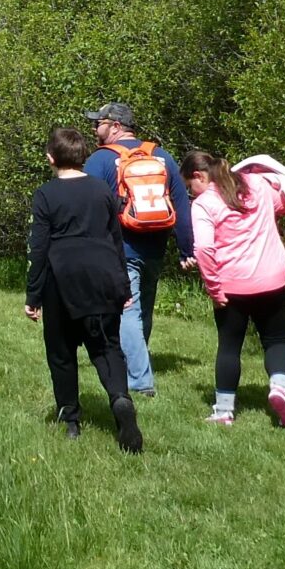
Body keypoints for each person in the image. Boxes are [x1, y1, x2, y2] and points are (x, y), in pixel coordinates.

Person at [186, 147, 285, 432]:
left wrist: (214, 290)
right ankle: (280, 388)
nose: (191, 193)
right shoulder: (258, 185)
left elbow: (204, 248)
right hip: (272, 279)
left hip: (232, 286)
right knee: (276, 339)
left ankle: (224, 411)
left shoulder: (204, 204)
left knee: (229, 347)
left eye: (190, 186)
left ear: (198, 176)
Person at [27, 125, 143, 451]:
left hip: (62, 281)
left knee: (62, 353)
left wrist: (33, 296)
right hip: (104, 277)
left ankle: (71, 420)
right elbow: (116, 241)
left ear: (51, 158)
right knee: (107, 348)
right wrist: (123, 286)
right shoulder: (103, 191)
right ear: (83, 156)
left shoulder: (46, 195)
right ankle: (120, 398)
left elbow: (39, 249)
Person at [80, 105, 194, 399]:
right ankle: (136, 363)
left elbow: (87, 204)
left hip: (121, 247)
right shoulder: (162, 156)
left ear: (115, 126)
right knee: (142, 309)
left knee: (127, 309)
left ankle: (140, 380)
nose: (95, 130)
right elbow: (181, 202)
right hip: (156, 246)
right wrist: (186, 248)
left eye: (99, 124)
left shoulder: (102, 160)